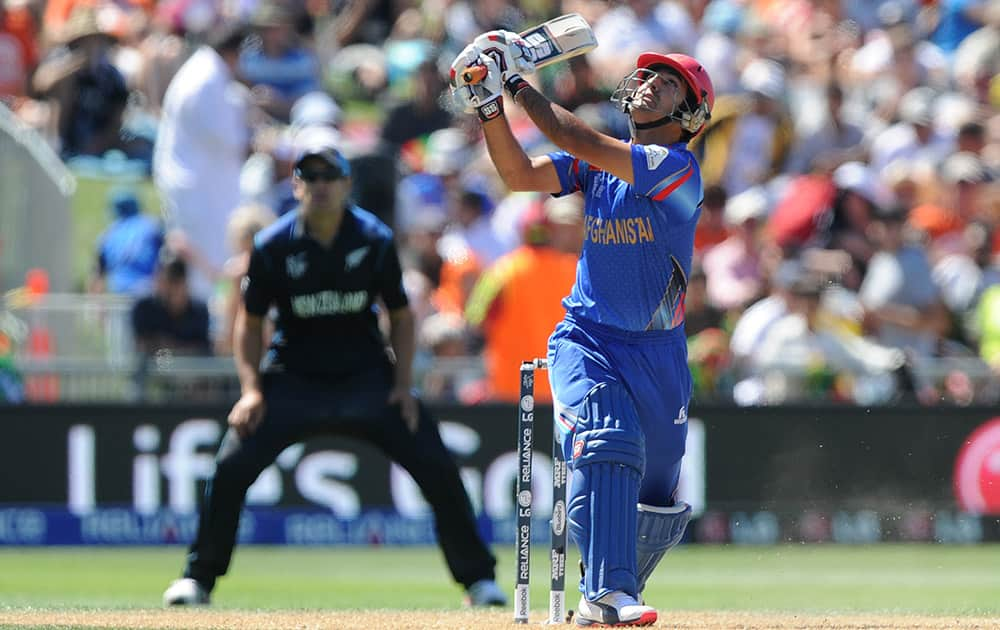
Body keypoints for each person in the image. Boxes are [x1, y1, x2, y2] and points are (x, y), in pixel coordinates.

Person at [161, 129, 505, 608]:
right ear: (296, 185)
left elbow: (402, 317)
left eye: (330, 175)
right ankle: (198, 578)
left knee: (437, 466)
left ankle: (478, 581)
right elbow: (251, 322)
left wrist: (404, 387)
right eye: (310, 175)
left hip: (367, 378)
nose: (320, 184)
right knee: (230, 468)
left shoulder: (373, 238)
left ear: (347, 184)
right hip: (292, 378)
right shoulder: (273, 245)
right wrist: (251, 389)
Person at [449, 37, 715, 626]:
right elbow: (519, 175)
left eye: (666, 84)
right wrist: (489, 103)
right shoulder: (598, 168)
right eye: (645, 76)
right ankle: (609, 592)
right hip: (587, 337)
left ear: (690, 115)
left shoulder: (678, 170)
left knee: (657, 498)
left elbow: (573, 137)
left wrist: (516, 80)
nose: (648, 84)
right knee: (608, 440)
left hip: (660, 353)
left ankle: (609, 592)